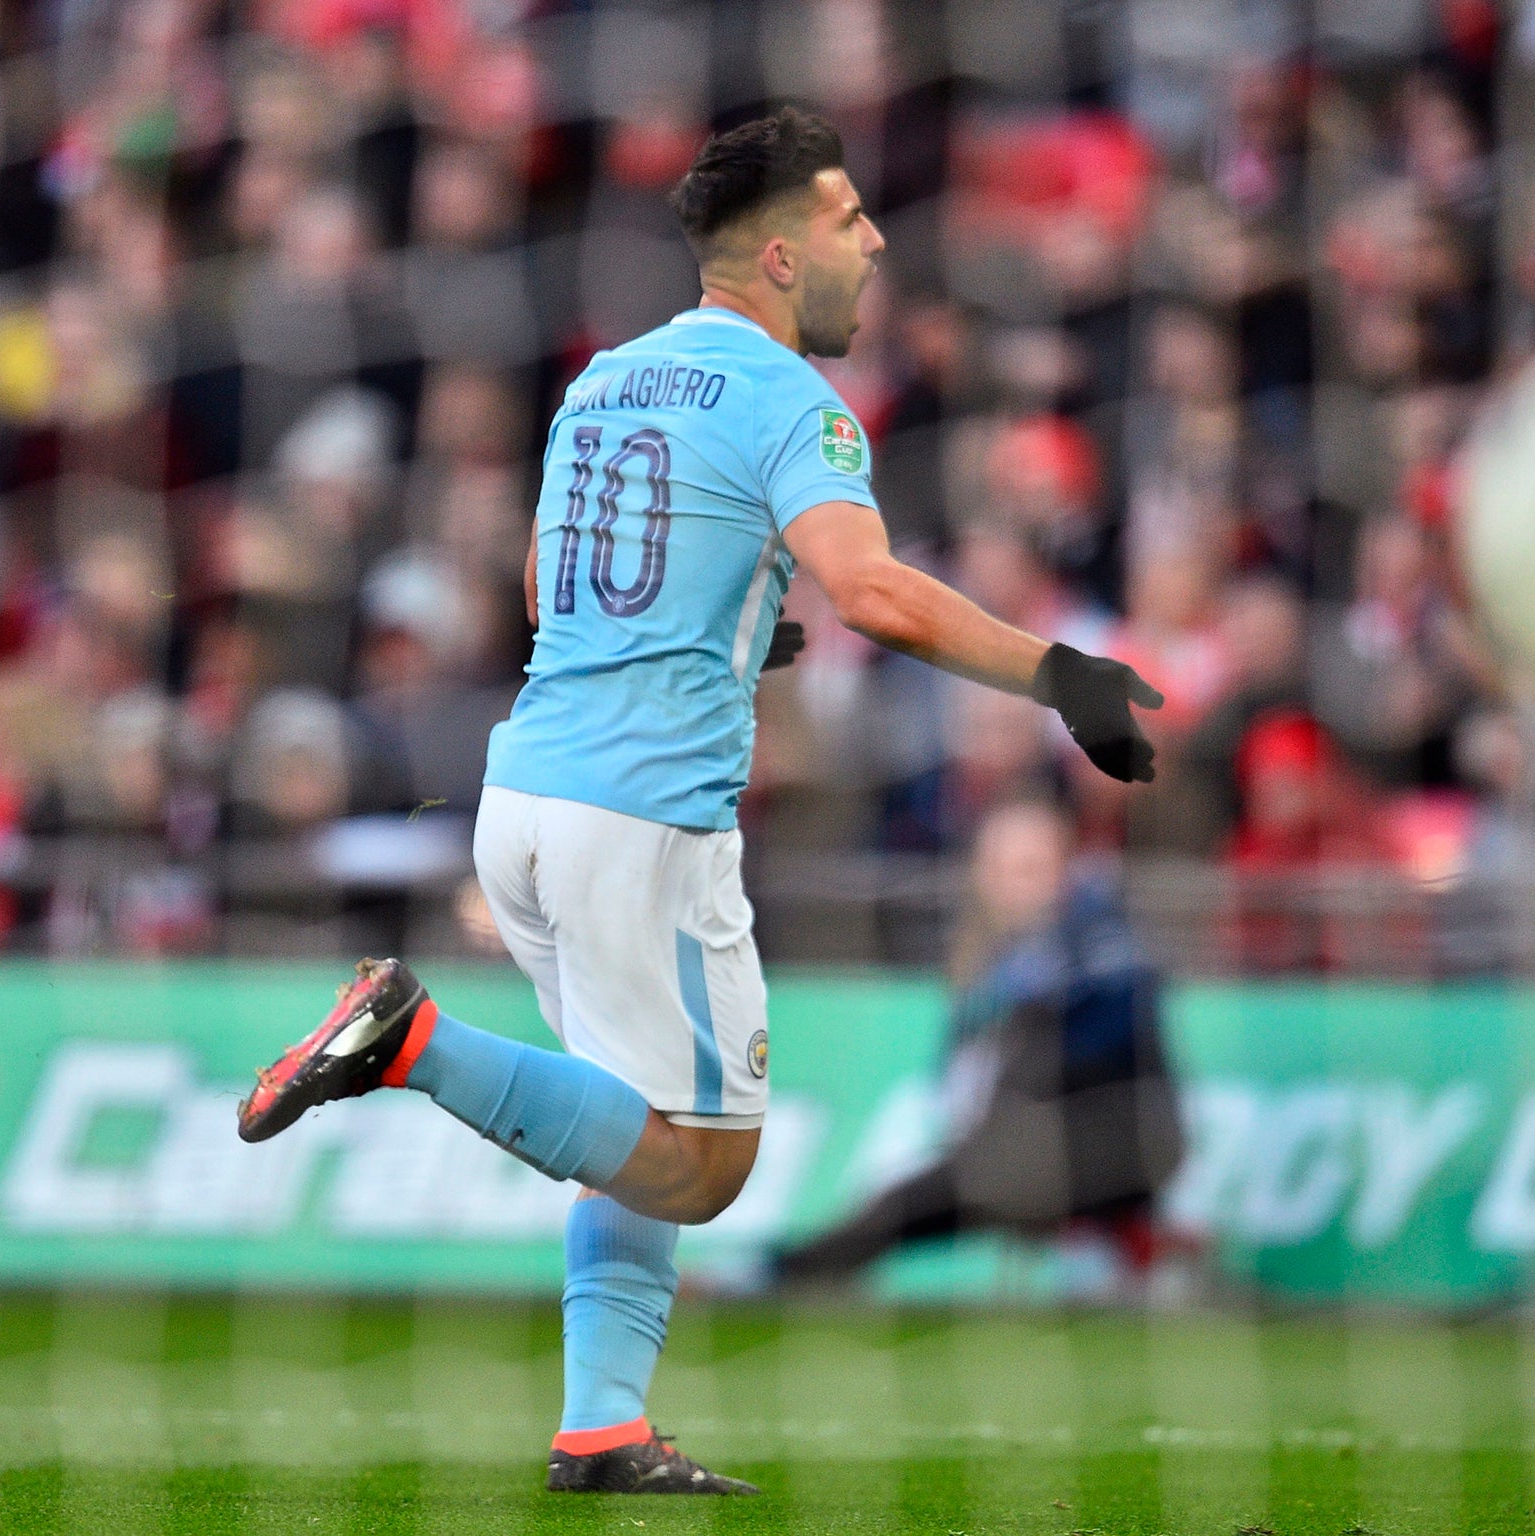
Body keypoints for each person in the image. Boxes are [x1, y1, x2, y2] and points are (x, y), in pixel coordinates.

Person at [233, 108, 1162, 1498]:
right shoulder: (796, 403)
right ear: (781, 255)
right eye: (852, 219)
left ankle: (601, 1422)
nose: (878, 239)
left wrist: (733, 622)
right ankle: (410, 1038)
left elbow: (563, 593)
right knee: (704, 1170)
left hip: (527, 798)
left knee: (630, 1126)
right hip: (645, 825)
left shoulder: (604, 381)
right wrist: (1057, 674)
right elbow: (874, 592)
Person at [772, 797, 1183, 1285]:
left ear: (1065, 869)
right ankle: (1142, 1254)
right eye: (1003, 870)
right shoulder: (1001, 968)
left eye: (1032, 868)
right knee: (915, 1200)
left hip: (1108, 1145)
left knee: (912, 1205)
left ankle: (785, 1273)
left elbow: (1105, 1044)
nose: (1017, 886)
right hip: (1034, 1153)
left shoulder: (1099, 945)